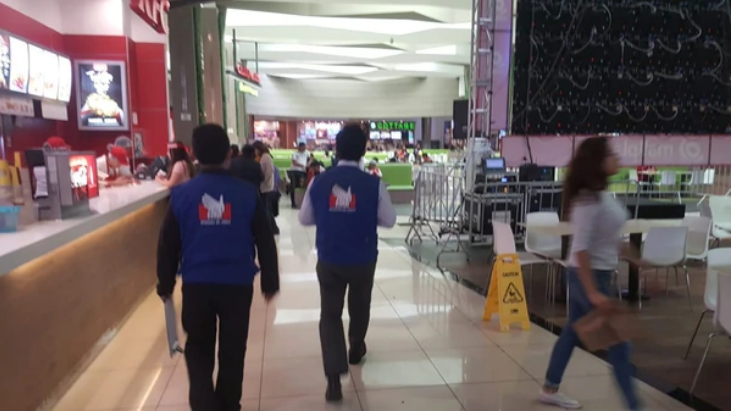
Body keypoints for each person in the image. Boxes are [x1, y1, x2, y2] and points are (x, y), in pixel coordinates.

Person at [156, 123, 280, 411]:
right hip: (237, 285)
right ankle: (228, 405)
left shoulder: (182, 195)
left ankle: (203, 405)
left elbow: (167, 244)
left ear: (195, 156)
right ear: (228, 154)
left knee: (198, 350)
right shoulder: (247, 193)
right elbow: (265, 238)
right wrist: (270, 282)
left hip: (197, 284)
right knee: (233, 350)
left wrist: (165, 284)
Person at [539, 136, 639, 410]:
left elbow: (606, 238)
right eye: (611, 154)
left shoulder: (600, 195)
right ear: (598, 161)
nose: (617, 158)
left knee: (572, 332)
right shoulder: (587, 201)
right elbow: (581, 249)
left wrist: (631, 254)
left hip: (599, 274)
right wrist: (594, 293)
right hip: (588, 277)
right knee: (619, 344)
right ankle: (635, 406)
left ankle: (550, 386)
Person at [298, 124, 397, 402]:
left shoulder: (319, 181)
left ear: (336, 149)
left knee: (329, 314)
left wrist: (331, 215)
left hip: (329, 257)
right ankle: (356, 347)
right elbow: (389, 220)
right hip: (363, 257)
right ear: (364, 150)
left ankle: (333, 379)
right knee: (360, 303)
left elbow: (304, 219)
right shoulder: (373, 183)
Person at [253, 141, 280, 234]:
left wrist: (263, 180)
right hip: (264, 186)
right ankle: (272, 228)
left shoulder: (266, 157)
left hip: (266, 186)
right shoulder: (262, 157)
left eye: (255, 149)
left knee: (266, 208)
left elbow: (270, 170)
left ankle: (270, 228)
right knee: (267, 208)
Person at [287, 142, 309, 207]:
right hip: (294, 171)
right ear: (299, 147)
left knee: (302, 185)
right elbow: (294, 163)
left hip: (303, 172)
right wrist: (303, 165)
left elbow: (310, 159)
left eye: (305, 147)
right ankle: (293, 202)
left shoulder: (307, 153)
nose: (304, 149)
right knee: (293, 186)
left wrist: (307, 164)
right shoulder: (295, 154)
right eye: (303, 147)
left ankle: (302, 201)